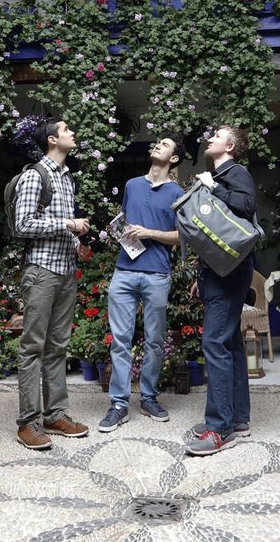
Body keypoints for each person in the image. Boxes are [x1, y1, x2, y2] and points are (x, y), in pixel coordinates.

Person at [13, 117, 93, 450]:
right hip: (41, 271)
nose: (73, 133)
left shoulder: (66, 179)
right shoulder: (35, 176)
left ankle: (56, 414)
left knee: (58, 346)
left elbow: (60, 229)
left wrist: (77, 244)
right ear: (51, 139)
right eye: (66, 130)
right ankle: (28, 423)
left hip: (64, 270)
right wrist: (68, 224)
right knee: (33, 347)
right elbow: (23, 225)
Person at [98, 137, 186, 432]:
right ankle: (119, 404)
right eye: (158, 142)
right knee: (120, 341)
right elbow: (123, 221)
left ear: (173, 160)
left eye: (166, 145)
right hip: (124, 271)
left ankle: (148, 397)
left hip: (157, 274)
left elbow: (181, 236)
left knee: (155, 341)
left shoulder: (177, 192)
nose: (158, 145)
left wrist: (150, 232)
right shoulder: (132, 185)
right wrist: (119, 231)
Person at [185, 126, 257, 456]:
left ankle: (219, 427)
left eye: (218, 135)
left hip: (230, 274)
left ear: (230, 145)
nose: (210, 138)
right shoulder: (223, 172)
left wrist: (214, 187)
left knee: (214, 342)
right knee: (230, 343)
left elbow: (245, 205)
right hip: (221, 272)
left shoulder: (234, 172)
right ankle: (238, 418)